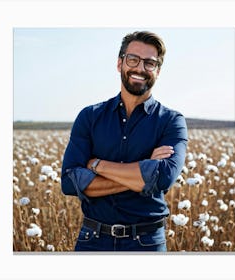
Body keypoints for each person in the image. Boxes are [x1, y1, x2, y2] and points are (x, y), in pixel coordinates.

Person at [61, 31, 188, 252]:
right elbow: (69, 182)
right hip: (92, 240)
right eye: (133, 60)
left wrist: (96, 165)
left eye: (150, 63)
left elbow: (163, 178)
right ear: (120, 63)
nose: (140, 68)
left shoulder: (172, 121)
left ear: (158, 71)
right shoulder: (89, 117)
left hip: (147, 242)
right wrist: (144, 168)